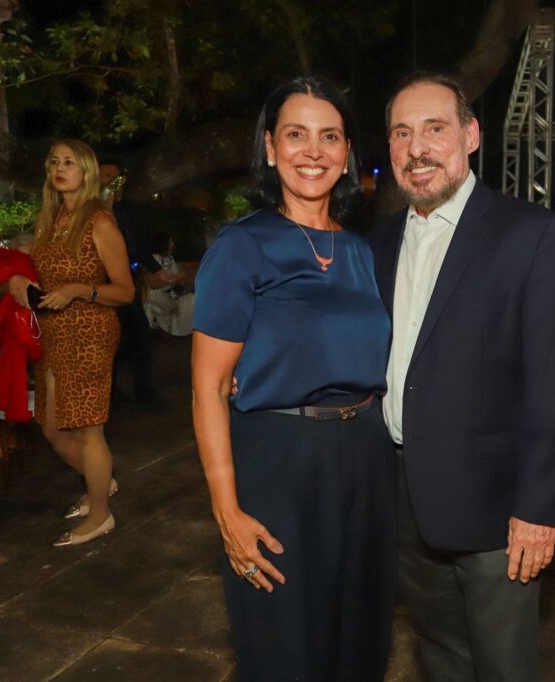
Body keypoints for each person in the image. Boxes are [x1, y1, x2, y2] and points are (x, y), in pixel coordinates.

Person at [369, 73, 555, 681]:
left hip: (498, 511)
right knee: (440, 655)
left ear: (470, 135)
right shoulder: (380, 243)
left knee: (503, 667)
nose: (417, 148)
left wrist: (540, 508)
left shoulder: (534, 235)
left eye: (434, 129)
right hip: (406, 499)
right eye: (402, 133)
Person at [191, 76, 394, 681]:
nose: (313, 151)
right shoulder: (242, 245)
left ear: (347, 152)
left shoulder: (363, 251)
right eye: (296, 134)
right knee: (285, 641)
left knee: (361, 637)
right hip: (279, 459)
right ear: (271, 147)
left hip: (367, 457)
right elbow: (208, 388)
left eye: (329, 136)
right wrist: (226, 509)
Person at [5, 139, 134, 546]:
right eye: (54, 162)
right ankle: (101, 483)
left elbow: (126, 291)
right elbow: (40, 272)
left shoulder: (100, 222)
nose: (60, 169)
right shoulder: (50, 219)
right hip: (53, 331)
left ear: (87, 171)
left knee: (88, 429)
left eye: (69, 162)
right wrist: (19, 280)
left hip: (90, 332)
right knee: (51, 427)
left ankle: (100, 514)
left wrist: (80, 289)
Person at [100, 162, 173, 406]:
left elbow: (137, 243)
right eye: (105, 176)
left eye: (115, 176)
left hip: (127, 281)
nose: (111, 181)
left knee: (140, 335)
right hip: (104, 283)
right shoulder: (95, 210)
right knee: (113, 340)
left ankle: (144, 392)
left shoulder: (127, 208)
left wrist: (155, 268)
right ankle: (110, 395)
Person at [144, 231, 195, 337]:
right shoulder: (154, 260)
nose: (173, 245)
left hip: (171, 292)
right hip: (157, 294)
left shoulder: (169, 258)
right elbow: (155, 283)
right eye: (170, 242)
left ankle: (179, 330)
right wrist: (178, 278)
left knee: (190, 298)